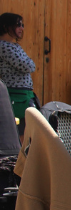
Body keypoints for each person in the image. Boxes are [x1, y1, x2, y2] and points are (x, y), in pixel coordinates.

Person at [0, 12, 36, 140]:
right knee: (21, 132)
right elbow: (28, 66)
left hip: (24, 94)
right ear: (6, 27)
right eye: (18, 25)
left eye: (22, 25)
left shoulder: (15, 46)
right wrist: (30, 62)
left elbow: (30, 65)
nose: (22, 28)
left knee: (28, 130)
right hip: (14, 94)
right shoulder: (3, 46)